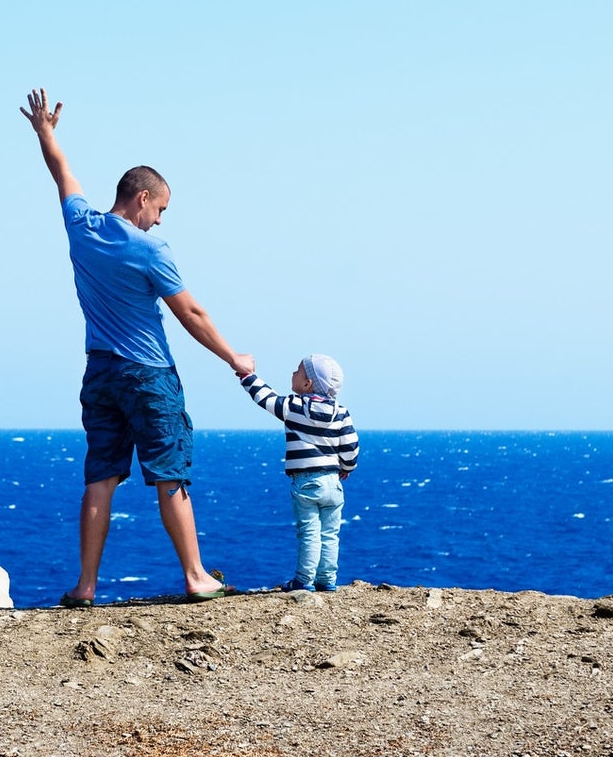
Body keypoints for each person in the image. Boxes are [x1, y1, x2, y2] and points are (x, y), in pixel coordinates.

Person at [19, 88, 254, 607]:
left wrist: (45, 132)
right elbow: (190, 312)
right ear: (142, 197)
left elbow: (62, 173)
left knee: (101, 476)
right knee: (169, 472)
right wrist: (235, 359)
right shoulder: (148, 248)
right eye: (161, 208)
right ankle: (196, 576)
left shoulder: (81, 226)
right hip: (147, 372)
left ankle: (85, 586)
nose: (162, 220)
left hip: (99, 371)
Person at [238, 355, 359, 592]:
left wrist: (247, 376)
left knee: (309, 533)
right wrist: (346, 467)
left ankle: (304, 580)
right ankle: (327, 579)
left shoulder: (295, 407)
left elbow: (265, 398)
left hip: (306, 482)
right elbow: (351, 446)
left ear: (308, 385)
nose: (292, 373)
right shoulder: (341, 412)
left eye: (298, 371)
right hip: (333, 482)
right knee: (330, 533)